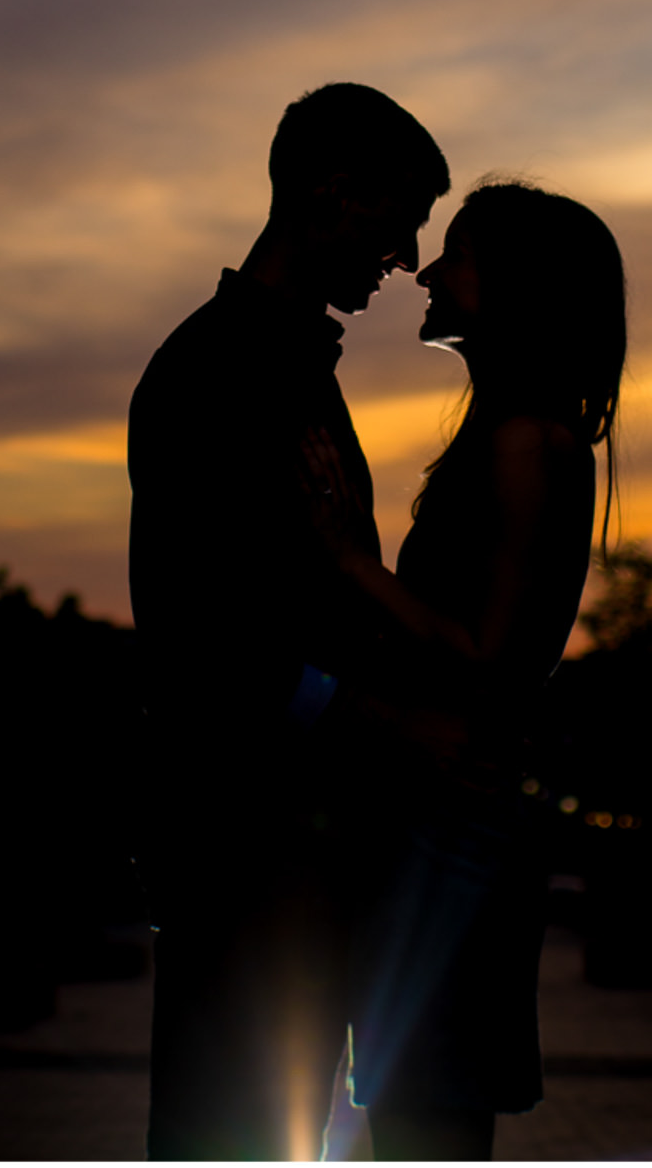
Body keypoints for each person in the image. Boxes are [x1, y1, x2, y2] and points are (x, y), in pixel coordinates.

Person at [130, 84, 514, 1162]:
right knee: (228, 1136)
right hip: (242, 847)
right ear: (332, 190)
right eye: (400, 213)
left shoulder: (286, 367)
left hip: (290, 857)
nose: (406, 253)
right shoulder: (216, 371)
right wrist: (393, 724)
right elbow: (209, 642)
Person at [335, 178, 627, 1161]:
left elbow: (488, 657)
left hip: (451, 818)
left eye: (454, 253)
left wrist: (340, 564)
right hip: (450, 809)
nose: (426, 269)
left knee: (426, 1112)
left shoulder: (524, 443)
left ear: (514, 285)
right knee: (422, 1109)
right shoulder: (521, 437)